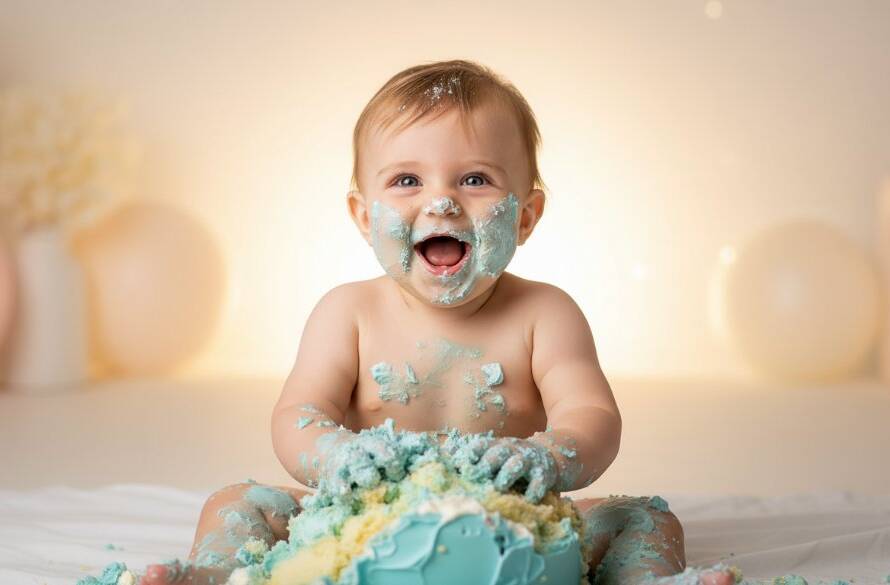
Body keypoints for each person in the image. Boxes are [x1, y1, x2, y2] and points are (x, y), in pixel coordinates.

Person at [141, 59, 736, 585]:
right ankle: (219, 575)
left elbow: (593, 416)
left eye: (475, 180)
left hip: (512, 520)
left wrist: (547, 457)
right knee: (237, 501)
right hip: (363, 519)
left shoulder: (545, 314)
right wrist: (334, 456)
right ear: (362, 214)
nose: (442, 202)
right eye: (406, 180)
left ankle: (643, 580)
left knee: (644, 516)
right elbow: (298, 416)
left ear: (526, 216)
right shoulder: (347, 312)